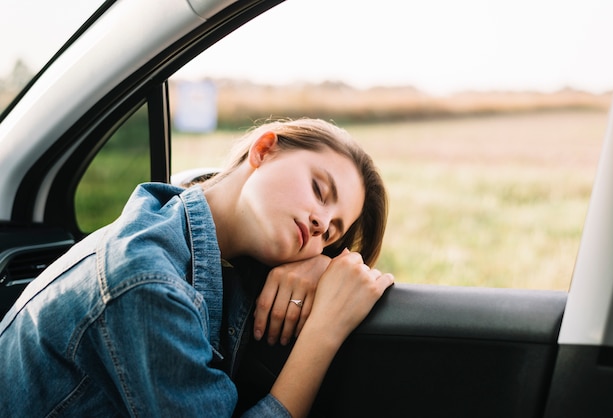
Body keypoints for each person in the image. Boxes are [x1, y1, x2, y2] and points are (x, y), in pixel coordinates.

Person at [0, 118, 393, 417]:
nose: (321, 225)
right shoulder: (147, 282)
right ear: (264, 149)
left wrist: (321, 267)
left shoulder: (176, 222)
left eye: (331, 234)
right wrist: (325, 327)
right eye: (319, 191)